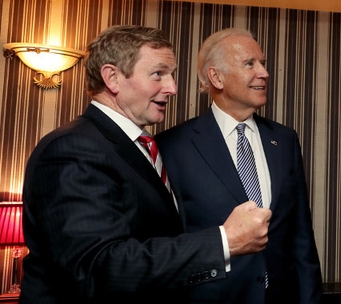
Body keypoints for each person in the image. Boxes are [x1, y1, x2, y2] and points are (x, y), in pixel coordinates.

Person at [21, 25, 272, 304]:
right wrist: (224, 242)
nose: (172, 88)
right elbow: (97, 269)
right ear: (112, 78)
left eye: (172, 75)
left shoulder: (140, 146)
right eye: (158, 74)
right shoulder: (72, 148)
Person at [156, 28, 323, 304]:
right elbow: (169, 244)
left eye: (263, 63)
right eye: (250, 64)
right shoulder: (173, 147)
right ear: (216, 77)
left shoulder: (284, 139)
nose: (264, 73)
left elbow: (301, 236)